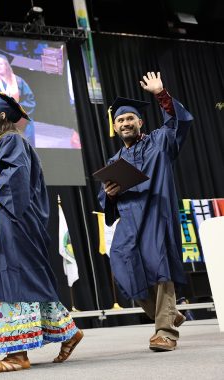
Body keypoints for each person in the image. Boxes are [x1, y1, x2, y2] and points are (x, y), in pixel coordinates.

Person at [0, 90, 83, 373]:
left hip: (10, 224)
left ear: (1, 116)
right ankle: (69, 331)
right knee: (20, 280)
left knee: (10, 282)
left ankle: (17, 355)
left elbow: (15, 177)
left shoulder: (12, 141)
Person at [98, 72, 193, 352]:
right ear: (115, 127)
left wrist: (161, 94)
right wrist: (109, 194)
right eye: (120, 120)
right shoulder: (114, 161)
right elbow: (105, 197)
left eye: (130, 119)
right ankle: (168, 313)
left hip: (155, 213)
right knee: (121, 265)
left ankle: (165, 331)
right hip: (129, 219)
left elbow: (180, 123)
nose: (125, 123)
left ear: (141, 122)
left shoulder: (160, 142)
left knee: (159, 266)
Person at [0, 49, 37, 146]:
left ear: (6, 65)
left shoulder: (19, 81)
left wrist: (15, 108)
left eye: (1, 64)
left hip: (18, 122)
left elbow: (30, 101)